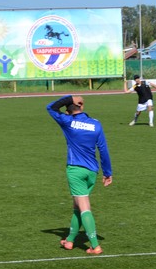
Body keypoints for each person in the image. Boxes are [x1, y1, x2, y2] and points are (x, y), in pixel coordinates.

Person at [46, 94, 112, 255]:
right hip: (92, 171)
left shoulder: (67, 121)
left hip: (76, 170)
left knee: (84, 207)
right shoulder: (96, 124)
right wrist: (107, 172)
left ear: (67, 111)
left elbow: (51, 107)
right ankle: (70, 240)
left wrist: (70, 98)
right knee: (77, 206)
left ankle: (95, 246)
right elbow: (103, 149)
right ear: (81, 107)